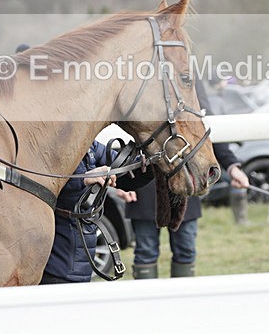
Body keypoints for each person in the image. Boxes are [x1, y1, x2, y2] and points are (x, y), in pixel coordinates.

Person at [124, 80, 250, 278]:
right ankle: (146, 306)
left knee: (186, 250)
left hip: (187, 178)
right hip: (144, 183)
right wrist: (124, 180)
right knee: (145, 252)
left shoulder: (188, 77)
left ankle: (183, 305)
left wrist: (233, 167)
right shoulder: (138, 75)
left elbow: (203, 130)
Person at [40, 141, 144, 284]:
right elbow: (37, 182)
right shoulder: (47, 141)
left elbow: (128, 171)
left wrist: (153, 158)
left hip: (80, 254)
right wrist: (83, 179)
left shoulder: (90, 144)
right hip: (55, 257)